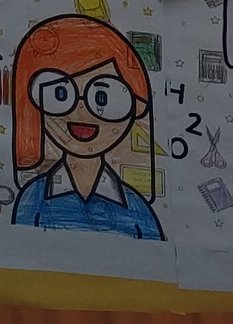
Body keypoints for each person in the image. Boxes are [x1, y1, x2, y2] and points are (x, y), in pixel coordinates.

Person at [9, 15, 163, 238]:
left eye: (103, 98)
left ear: (136, 104)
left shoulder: (137, 208)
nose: (81, 112)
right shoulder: (32, 198)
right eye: (60, 95)